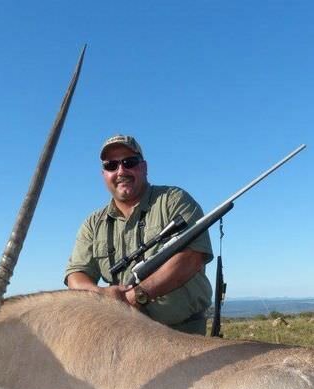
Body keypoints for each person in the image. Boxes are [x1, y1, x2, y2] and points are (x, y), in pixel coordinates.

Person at [65, 134, 213, 334]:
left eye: (129, 162)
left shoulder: (174, 200)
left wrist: (139, 295)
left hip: (183, 333)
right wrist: (102, 295)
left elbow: (193, 257)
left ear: (144, 167)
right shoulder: (93, 223)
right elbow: (76, 275)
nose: (121, 171)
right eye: (111, 166)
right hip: (125, 334)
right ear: (103, 175)